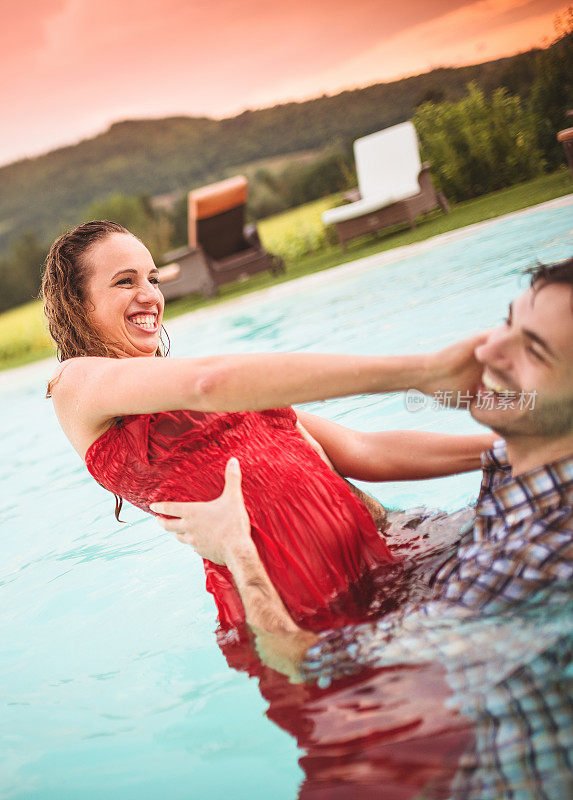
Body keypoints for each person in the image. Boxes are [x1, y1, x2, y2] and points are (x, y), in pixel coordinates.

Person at [43, 220, 493, 633]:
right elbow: (208, 382)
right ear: (78, 304)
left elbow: (361, 448)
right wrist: (423, 370)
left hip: (389, 546)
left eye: (153, 279)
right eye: (126, 281)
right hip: (302, 602)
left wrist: (505, 447)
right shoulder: (76, 383)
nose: (150, 295)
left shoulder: (213, 387)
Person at [150, 256, 573, 678]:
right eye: (507, 322)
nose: (487, 349)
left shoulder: (536, 556)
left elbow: (301, 659)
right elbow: (362, 449)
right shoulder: (518, 468)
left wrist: (235, 549)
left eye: (533, 350)